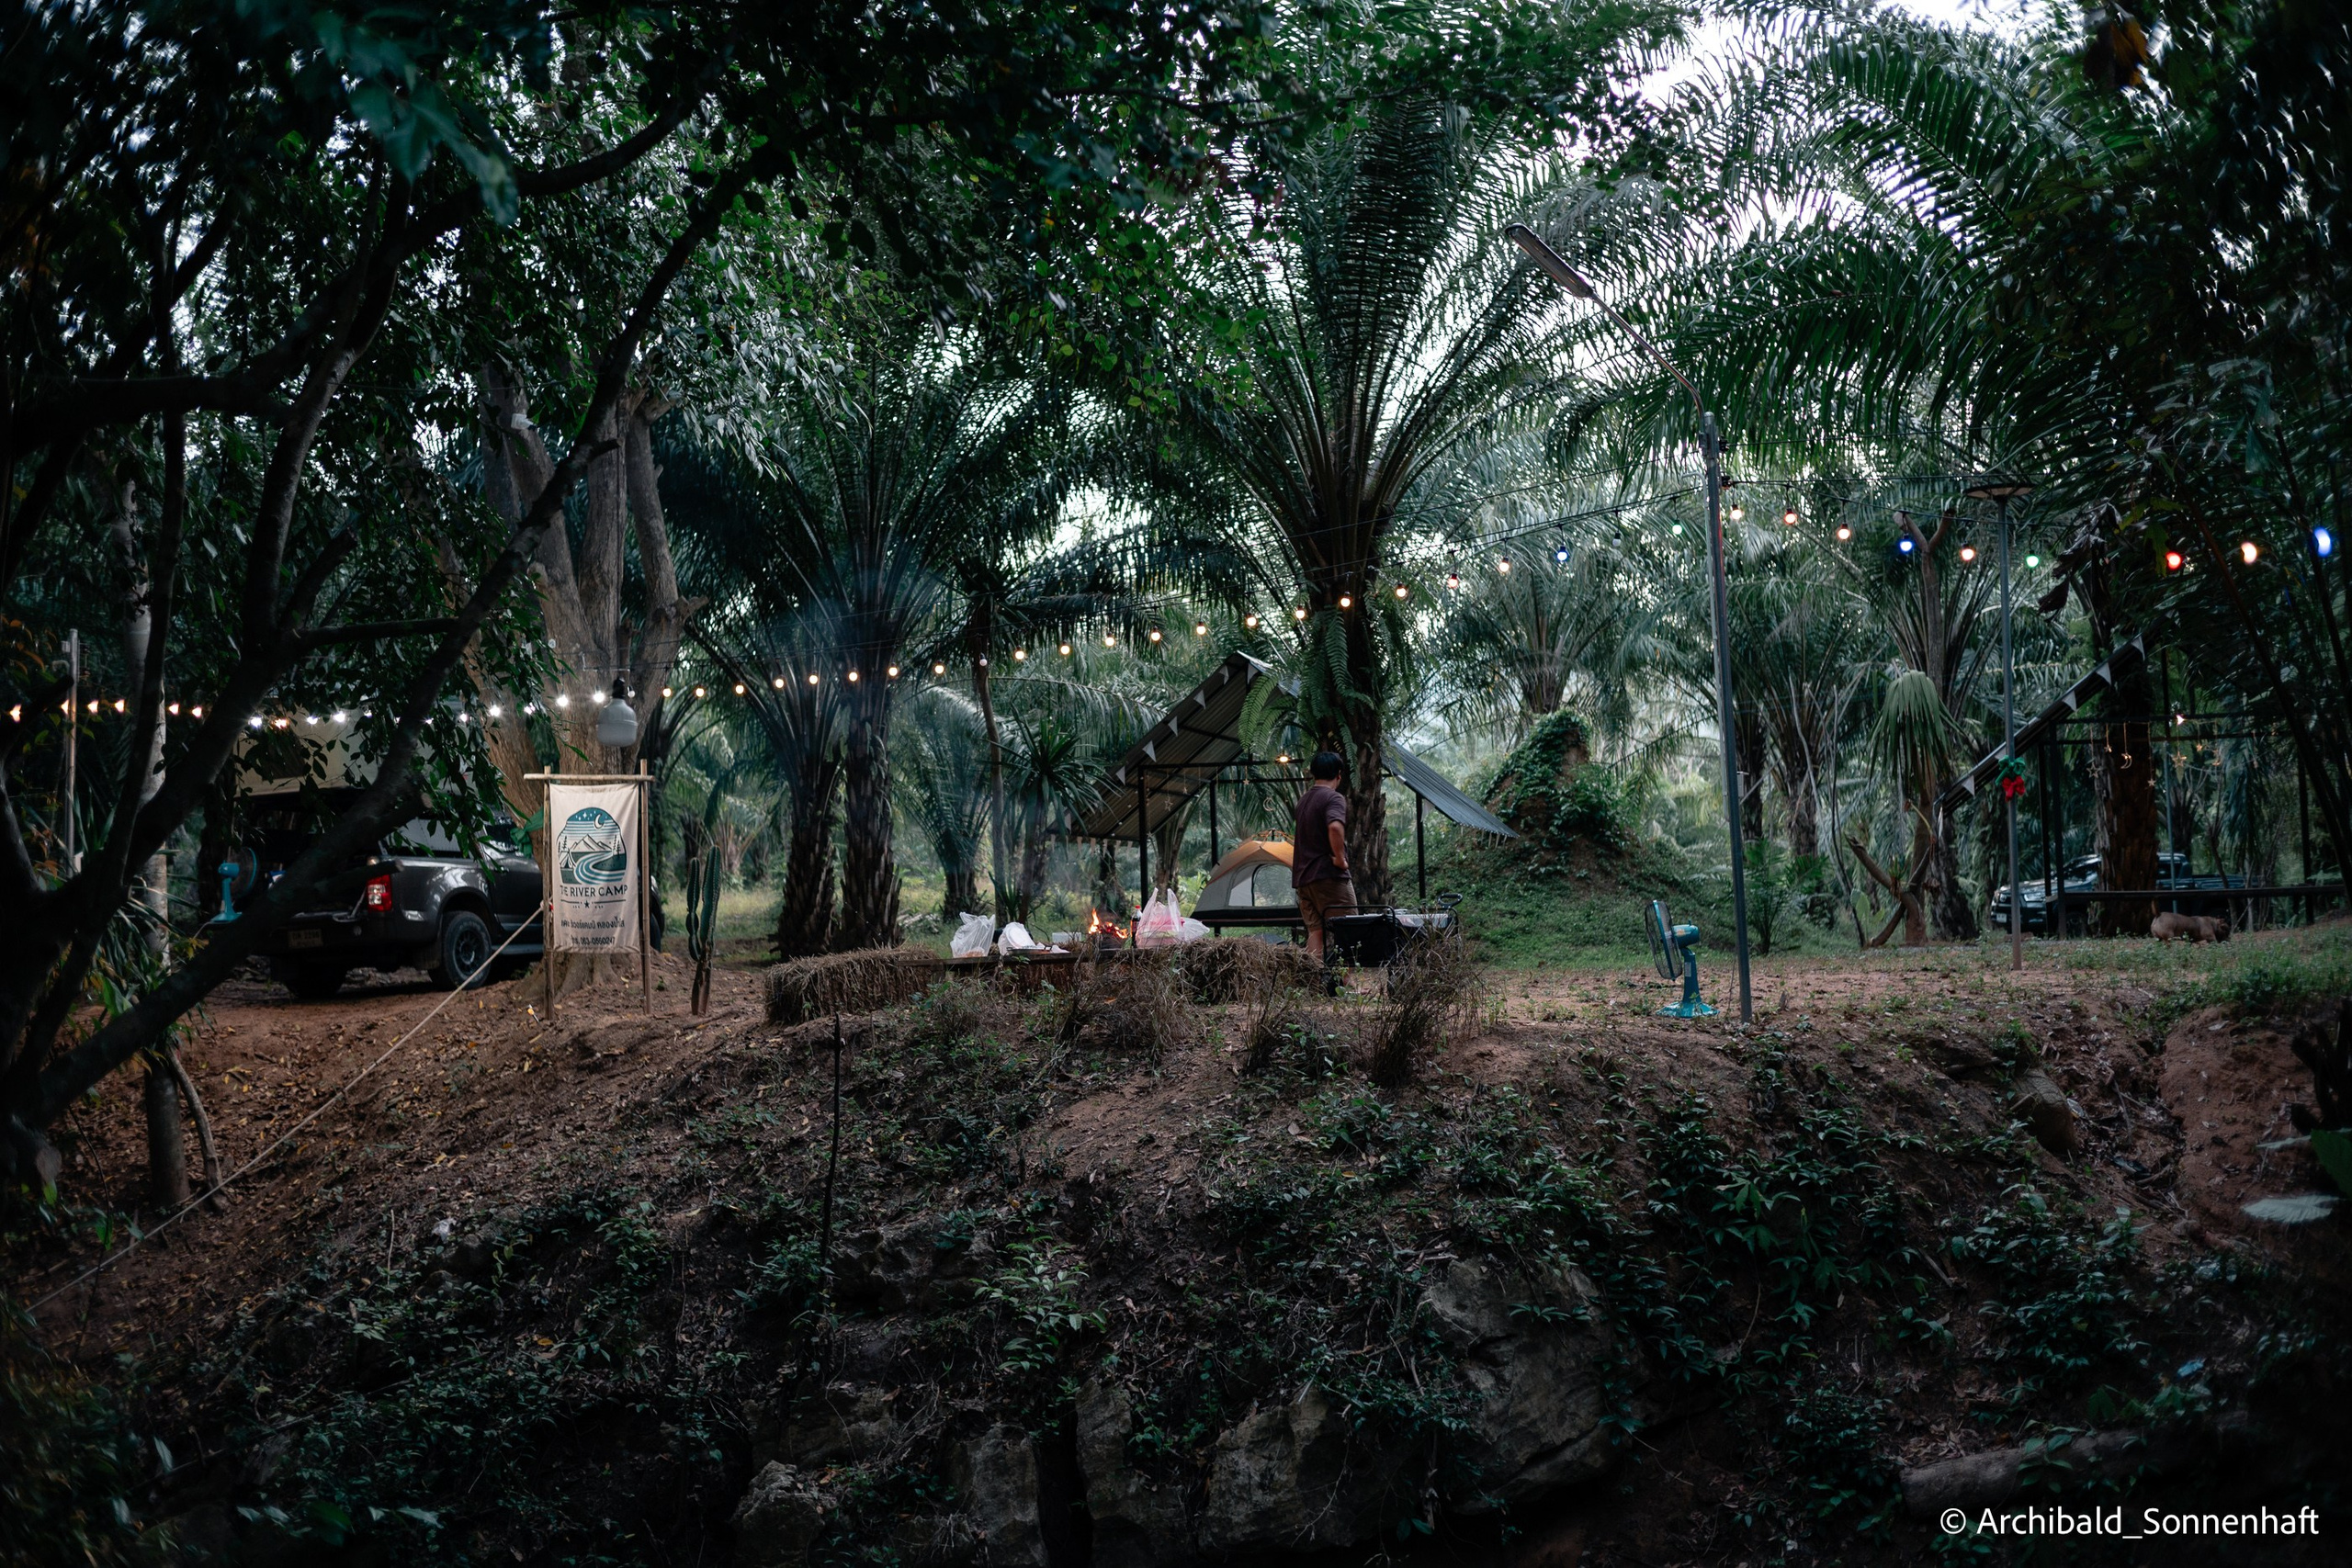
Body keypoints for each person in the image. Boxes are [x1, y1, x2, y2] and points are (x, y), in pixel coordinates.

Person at [1292, 750, 1356, 967]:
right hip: (1328, 877)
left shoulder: (1304, 800)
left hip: (1303, 879)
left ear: (1313, 773)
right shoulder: (1333, 797)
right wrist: (1340, 859)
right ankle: (1346, 983)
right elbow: (1335, 827)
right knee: (1348, 928)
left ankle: (1314, 980)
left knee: (1315, 931)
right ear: (1339, 775)